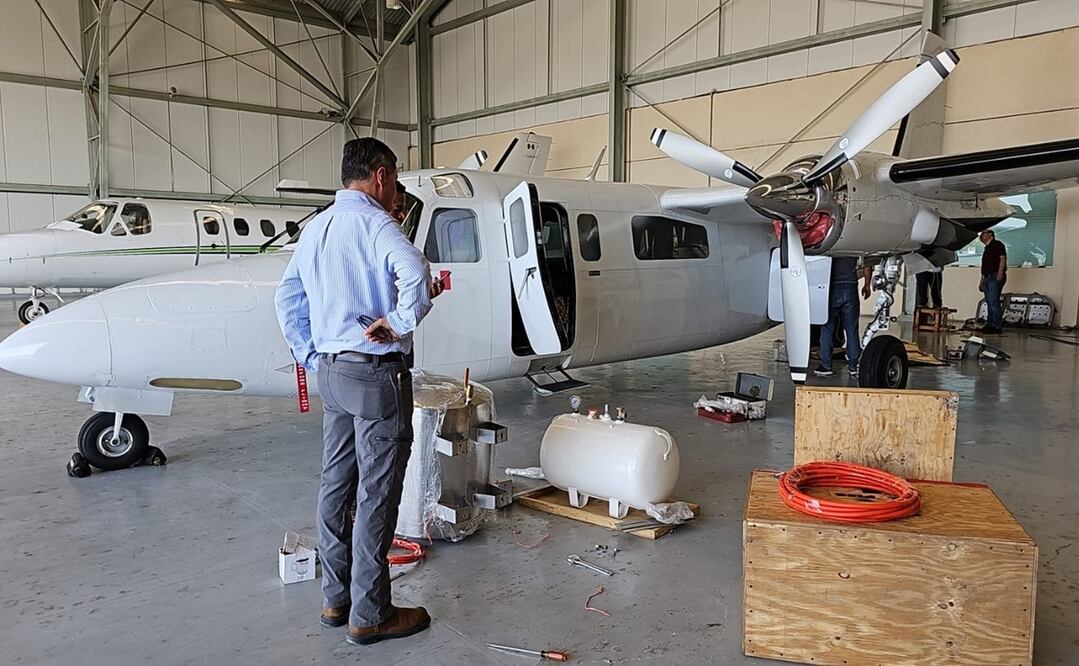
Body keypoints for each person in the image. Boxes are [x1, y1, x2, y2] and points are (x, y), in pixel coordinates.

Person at [275, 137, 438, 647]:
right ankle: (371, 613)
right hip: (374, 376)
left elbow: (287, 297)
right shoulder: (376, 224)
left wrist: (310, 354)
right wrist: (399, 322)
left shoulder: (317, 226)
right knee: (376, 493)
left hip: (333, 374)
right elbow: (415, 272)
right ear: (383, 176)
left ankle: (335, 598)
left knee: (336, 483)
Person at [814, 257, 872, 379]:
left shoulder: (832, 242)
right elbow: (868, 264)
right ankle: (854, 366)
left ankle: (826, 365)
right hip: (851, 286)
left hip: (831, 287)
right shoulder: (853, 244)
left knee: (826, 328)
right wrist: (867, 284)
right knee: (851, 330)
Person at [979, 229, 1008, 333]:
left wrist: (1000, 273)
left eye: (983, 233)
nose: (981, 235)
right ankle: (990, 324)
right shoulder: (987, 248)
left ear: (990, 234)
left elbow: (1002, 258)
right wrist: (981, 281)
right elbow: (984, 267)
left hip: (994, 276)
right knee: (989, 302)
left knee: (993, 302)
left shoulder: (997, 244)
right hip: (987, 277)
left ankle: (996, 326)